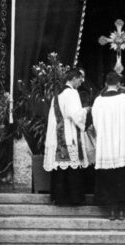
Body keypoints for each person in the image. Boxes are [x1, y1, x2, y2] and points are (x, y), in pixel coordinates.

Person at [91, 71, 125, 220]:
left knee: (108, 176)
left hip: (106, 145)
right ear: (119, 84)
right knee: (122, 175)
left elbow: (96, 123)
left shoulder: (98, 100)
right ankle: (121, 210)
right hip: (122, 143)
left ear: (106, 84)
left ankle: (111, 210)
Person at [43, 68, 91, 206]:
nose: (82, 82)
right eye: (81, 78)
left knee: (62, 166)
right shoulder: (72, 93)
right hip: (68, 133)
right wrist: (85, 110)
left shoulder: (58, 93)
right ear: (74, 78)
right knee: (71, 165)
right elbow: (75, 115)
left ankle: (59, 198)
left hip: (58, 134)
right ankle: (74, 198)